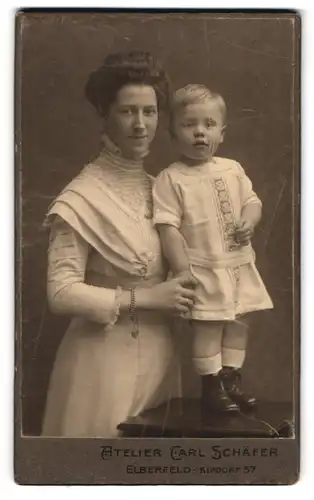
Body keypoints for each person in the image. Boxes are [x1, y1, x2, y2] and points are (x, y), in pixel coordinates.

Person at [41, 52, 196, 437]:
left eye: (150, 111)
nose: (141, 125)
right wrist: (146, 299)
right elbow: (60, 293)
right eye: (128, 112)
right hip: (101, 364)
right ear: (105, 113)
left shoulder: (160, 187)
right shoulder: (82, 196)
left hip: (161, 359)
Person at [152, 84, 273, 414]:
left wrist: (249, 220)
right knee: (208, 326)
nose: (200, 133)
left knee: (239, 323)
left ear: (222, 132)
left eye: (208, 125)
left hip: (237, 264)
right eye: (189, 125)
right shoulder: (170, 178)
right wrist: (181, 269)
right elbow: (168, 228)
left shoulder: (232, 169)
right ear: (173, 134)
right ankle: (211, 386)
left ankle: (231, 380)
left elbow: (252, 201)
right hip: (202, 267)